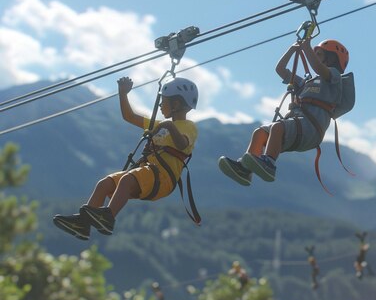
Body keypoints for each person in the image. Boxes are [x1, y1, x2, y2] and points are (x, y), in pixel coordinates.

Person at [52, 76, 198, 240]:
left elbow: (181, 144)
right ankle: (82, 224)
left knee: (127, 179)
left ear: (176, 105)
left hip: (163, 178)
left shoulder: (189, 127)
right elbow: (129, 116)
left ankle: (107, 217)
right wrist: (123, 93)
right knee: (104, 184)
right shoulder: (158, 124)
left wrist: (168, 126)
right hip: (148, 173)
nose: (160, 105)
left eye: (163, 101)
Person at [218, 37, 349, 185]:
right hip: (301, 124)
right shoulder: (307, 83)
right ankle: (245, 169)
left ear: (332, 59)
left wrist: (306, 46)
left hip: (311, 128)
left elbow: (319, 68)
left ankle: (269, 163)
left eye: (319, 55)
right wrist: (292, 50)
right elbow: (280, 69)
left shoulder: (334, 78)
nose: (315, 58)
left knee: (277, 127)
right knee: (260, 132)